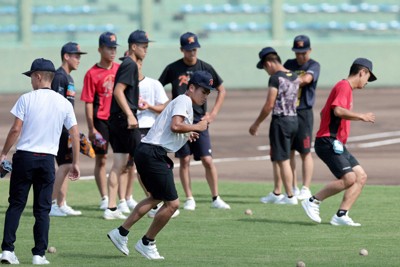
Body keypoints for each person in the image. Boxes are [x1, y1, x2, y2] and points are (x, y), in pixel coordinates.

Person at [107, 70, 213, 260]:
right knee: (172, 204)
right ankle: (147, 242)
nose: (206, 95)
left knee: (155, 198)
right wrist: (196, 127)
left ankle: (121, 232)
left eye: (208, 92)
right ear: (191, 88)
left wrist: (188, 134)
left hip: (148, 151)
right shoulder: (184, 101)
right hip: (153, 153)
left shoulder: (184, 102)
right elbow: (175, 125)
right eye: (203, 91)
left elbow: (172, 128)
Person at [0, 58, 80, 265]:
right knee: (42, 210)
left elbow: (16, 129)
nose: (30, 82)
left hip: (24, 157)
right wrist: (75, 163)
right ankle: (38, 255)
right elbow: (75, 134)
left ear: (38, 76)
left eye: (31, 77)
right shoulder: (63, 102)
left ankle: (7, 251)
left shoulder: (26, 99)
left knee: (16, 205)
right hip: (47, 160)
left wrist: (3, 153)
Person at [159, 32, 230, 211]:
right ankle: (189, 197)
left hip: (199, 120)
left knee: (207, 159)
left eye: (195, 49)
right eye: (189, 50)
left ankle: (216, 197)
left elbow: (221, 90)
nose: (192, 53)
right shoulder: (173, 68)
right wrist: (163, 108)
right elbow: (159, 88)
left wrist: (212, 114)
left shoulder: (205, 68)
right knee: (184, 160)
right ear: (182, 50)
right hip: (181, 118)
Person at [301, 58, 376, 226]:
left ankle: (341, 215)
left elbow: (324, 112)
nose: (366, 82)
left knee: (360, 177)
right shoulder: (344, 86)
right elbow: (338, 110)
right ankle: (312, 201)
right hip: (328, 141)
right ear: (362, 72)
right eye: (367, 77)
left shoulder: (345, 88)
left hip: (336, 142)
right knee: (349, 178)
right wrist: (361, 116)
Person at [104, 30, 151, 220]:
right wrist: (131, 115)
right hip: (124, 121)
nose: (146, 50)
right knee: (144, 160)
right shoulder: (130, 64)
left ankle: (111, 208)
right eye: (144, 47)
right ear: (133, 46)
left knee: (120, 164)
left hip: (117, 119)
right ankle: (154, 202)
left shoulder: (127, 64)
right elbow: (118, 91)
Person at [249, 47, 300, 205]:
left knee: (283, 159)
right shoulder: (295, 76)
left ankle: (290, 195)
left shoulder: (276, 78)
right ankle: (278, 192)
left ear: (269, 63)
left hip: (281, 121)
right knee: (280, 157)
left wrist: (256, 124)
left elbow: (269, 104)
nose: (266, 71)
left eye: (264, 67)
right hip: (294, 119)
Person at [81, 32, 121, 210]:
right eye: (108, 48)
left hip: (118, 120)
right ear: (100, 49)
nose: (112, 51)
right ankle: (104, 197)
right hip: (101, 121)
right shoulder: (92, 73)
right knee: (102, 159)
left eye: (114, 48)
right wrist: (91, 128)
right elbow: (89, 102)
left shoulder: (120, 69)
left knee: (124, 160)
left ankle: (123, 198)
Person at [281, 35, 321, 200]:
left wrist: (288, 77)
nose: (300, 56)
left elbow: (306, 79)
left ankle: (306, 187)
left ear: (309, 51)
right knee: (289, 151)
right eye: (298, 53)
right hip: (288, 111)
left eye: (303, 52)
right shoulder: (289, 64)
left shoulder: (313, 65)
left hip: (304, 111)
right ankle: (292, 186)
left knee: (305, 151)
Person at [49, 42, 87, 217]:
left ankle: (61, 203)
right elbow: (55, 104)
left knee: (65, 165)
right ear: (66, 56)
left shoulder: (68, 77)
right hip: (60, 129)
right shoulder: (59, 77)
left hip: (66, 128)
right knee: (64, 166)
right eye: (76, 56)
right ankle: (51, 204)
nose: (79, 59)